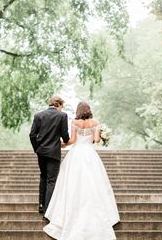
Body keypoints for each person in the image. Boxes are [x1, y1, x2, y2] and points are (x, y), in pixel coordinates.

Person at [43, 102, 119, 240]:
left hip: (76, 153)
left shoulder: (75, 122)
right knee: (94, 182)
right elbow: (95, 140)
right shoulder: (95, 122)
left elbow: (72, 140)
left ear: (78, 111)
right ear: (89, 110)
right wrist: (101, 136)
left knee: (72, 183)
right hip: (90, 154)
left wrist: (60, 144)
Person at [29, 96, 70, 215]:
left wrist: (37, 148)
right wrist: (66, 141)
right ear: (59, 105)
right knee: (51, 180)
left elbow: (32, 135)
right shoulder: (62, 116)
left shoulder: (38, 115)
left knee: (43, 176)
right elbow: (65, 136)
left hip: (41, 152)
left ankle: (41, 204)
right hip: (54, 152)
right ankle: (49, 209)